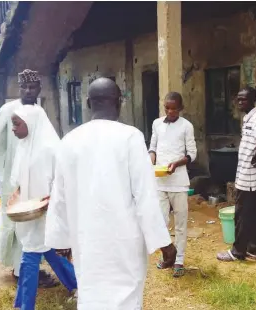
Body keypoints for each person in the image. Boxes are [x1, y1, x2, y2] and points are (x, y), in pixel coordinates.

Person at [45, 77, 177, 309]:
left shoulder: (68, 141)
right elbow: (145, 195)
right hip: (124, 242)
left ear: (87, 103)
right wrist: (164, 243)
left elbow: (59, 196)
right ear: (119, 103)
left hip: (86, 240)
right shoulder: (131, 137)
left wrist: (61, 240)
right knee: (125, 297)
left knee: (91, 295)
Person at [0, 69, 55, 284]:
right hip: (11, 177)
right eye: (24, 87)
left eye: (33, 87)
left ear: (39, 89)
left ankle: (27, 267)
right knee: (18, 220)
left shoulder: (39, 112)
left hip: (36, 176)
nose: (28, 91)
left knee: (34, 220)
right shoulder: (8, 109)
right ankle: (20, 270)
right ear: (19, 88)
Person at [9, 105, 78, 309]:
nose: (13, 129)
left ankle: (24, 304)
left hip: (48, 210)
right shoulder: (24, 145)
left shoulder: (50, 148)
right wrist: (17, 195)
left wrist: (51, 200)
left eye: (16, 124)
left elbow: (63, 180)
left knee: (30, 253)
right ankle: (77, 283)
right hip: (31, 210)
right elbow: (23, 178)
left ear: (30, 123)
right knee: (47, 249)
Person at [217, 86, 256, 262]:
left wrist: (255, 157)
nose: (240, 102)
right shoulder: (249, 117)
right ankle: (254, 250)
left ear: (253, 100)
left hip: (248, 177)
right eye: (238, 99)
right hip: (251, 176)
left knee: (241, 214)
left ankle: (237, 252)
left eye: (244, 99)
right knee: (253, 213)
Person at [149, 91, 196, 278]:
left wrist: (176, 164)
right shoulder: (156, 124)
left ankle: (179, 260)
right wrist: (151, 160)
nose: (170, 112)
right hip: (159, 181)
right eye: (167, 108)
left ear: (180, 108)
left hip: (179, 182)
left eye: (174, 109)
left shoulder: (187, 126)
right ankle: (168, 255)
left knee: (181, 223)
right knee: (160, 222)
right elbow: (152, 147)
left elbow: (192, 153)